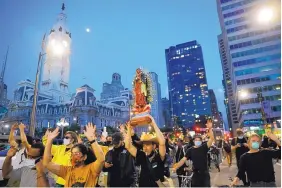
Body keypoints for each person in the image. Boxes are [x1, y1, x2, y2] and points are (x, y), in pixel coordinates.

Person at [125, 115, 166, 187]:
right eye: (143, 145)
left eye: (147, 144)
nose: (145, 147)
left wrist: (153, 123)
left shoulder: (159, 156)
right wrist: (128, 129)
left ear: (154, 146)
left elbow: (162, 142)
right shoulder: (141, 155)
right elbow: (128, 146)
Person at [172, 119, 214, 187]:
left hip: (205, 175)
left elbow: (211, 139)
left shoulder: (204, 147)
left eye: (199, 140)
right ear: (194, 141)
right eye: (196, 140)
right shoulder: (190, 150)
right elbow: (183, 160)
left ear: (201, 141)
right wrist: (176, 167)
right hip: (195, 175)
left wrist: (210, 128)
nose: (197, 141)